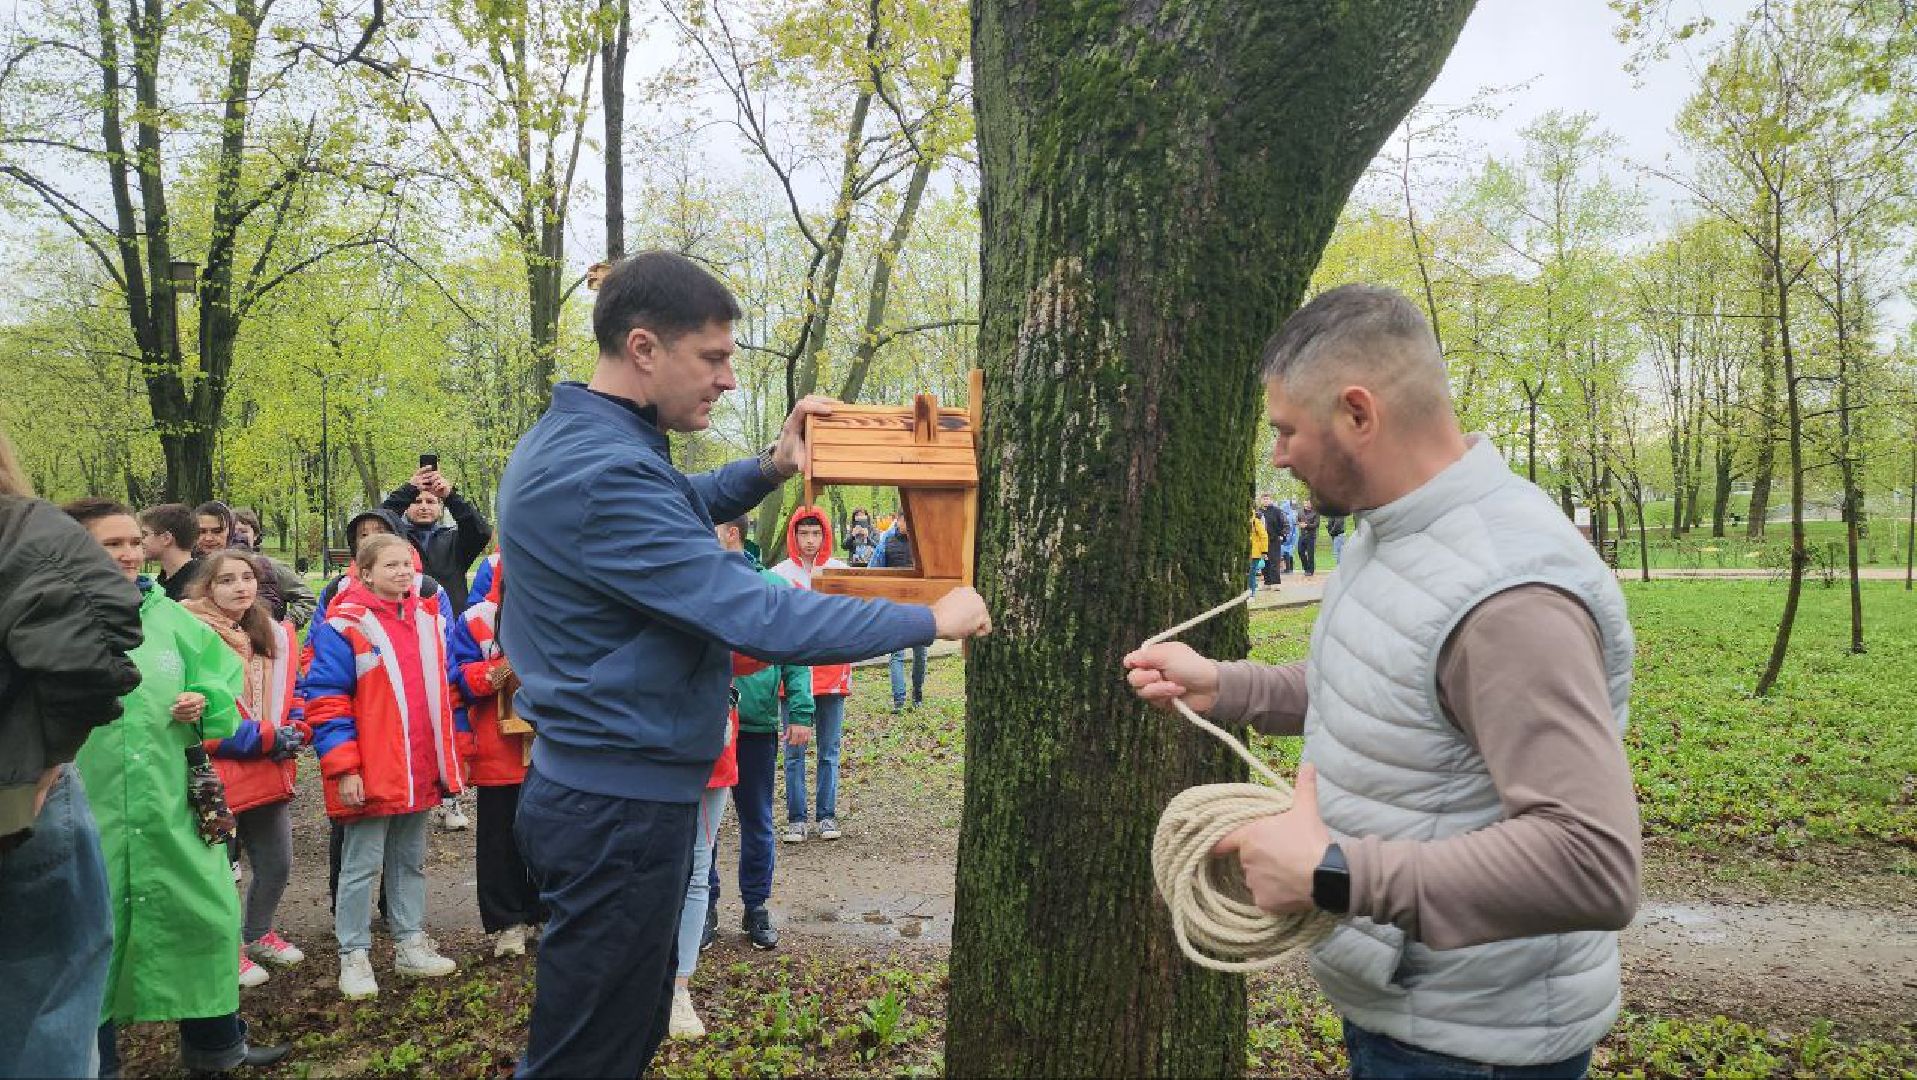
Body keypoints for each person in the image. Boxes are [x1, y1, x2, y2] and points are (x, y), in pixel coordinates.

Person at [495, 250, 990, 1078]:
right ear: (645, 347)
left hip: (608, 790)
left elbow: (675, 506)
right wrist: (924, 617)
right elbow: (758, 612)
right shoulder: (604, 472)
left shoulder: (591, 442)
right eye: (714, 357)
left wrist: (771, 466)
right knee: (585, 1057)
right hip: (617, 806)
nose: (727, 379)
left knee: (621, 1029)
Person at [1124, 285, 1639, 1080]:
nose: (1279, 455)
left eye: (1287, 429)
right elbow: (1392, 690)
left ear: (1358, 413)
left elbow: (1590, 863)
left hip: (1471, 1051)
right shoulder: (1394, 530)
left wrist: (1333, 875)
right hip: (1407, 1014)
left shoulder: (1508, 595)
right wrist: (1227, 687)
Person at [65, 497, 290, 1076]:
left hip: (173, 807)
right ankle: (97, 1064)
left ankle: (217, 1049)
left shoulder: (169, 619)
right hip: (89, 810)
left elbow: (219, 691)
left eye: (134, 542)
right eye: (111, 543)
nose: (129, 553)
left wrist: (202, 704)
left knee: (206, 918)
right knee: (90, 937)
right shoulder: (51, 616)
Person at [0, 437, 143, 1079]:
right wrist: (45, 761)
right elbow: (95, 638)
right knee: (43, 1004)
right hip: (18, 799)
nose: (128, 555)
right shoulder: (21, 529)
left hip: (18, 793)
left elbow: (92, 634)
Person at [304, 534, 468, 1000]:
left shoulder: (427, 619)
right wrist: (345, 768)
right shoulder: (343, 626)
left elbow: (446, 689)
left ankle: (410, 942)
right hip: (373, 767)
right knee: (361, 862)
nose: (402, 573)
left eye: (408, 565)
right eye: (391, 565)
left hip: (418, 765)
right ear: (364, 572)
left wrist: (453, 752)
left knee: (410, 858)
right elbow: (327, 702)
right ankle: (353, 954)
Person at [183, 551, 310, 990]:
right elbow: (197, 715)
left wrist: (298, 723)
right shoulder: (192, 632)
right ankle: (224, 950)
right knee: (218, 869)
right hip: (215, 773)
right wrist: (260, 738)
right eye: (227, 581)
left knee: (276, 861)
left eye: (247, 578)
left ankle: (258, 934)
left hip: (267, 768)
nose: (241, 587)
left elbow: (294, 687)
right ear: (206, 587)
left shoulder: (267, 630)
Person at [668, 521, 756, 1041]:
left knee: (697, 871)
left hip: (710, 755)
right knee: (643, 870)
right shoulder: (650, 583)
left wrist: (732, 574)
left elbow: (754, 651)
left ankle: (679, 989)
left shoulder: (725, 583)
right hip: (648, 754)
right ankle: (637, 983)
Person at [447, 553, 545, 958]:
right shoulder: (477, 619)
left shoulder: (562, 611)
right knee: (499, 837)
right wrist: (500, 669)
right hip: (498, 746)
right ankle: (508, 921)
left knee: (550, 835)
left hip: (552, 747)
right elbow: (458, 678)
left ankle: (547, 913)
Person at [770, 506, 853, 842]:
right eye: (803, 533)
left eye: (815, 533)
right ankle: (796, 818)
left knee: (829, 750)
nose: (809, 540)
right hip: (794, 677)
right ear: (793, 535)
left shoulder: (840, 572)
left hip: (832, 673)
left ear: (825, 535)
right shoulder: (780, 574)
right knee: (793, 752)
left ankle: (827, 815)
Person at [384, 465, 493, 614]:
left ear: (441, 508)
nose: (423, 507)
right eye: (417, 501)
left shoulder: (456, 541)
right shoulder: (394, 539)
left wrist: (450, 496)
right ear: (406, 507)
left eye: (430, 502)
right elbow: (375, 523)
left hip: (450, 622)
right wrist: (408, 490)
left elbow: (482, 532)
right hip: (407, 620)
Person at [198, 501, 315, 629]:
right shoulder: (190, 568)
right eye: (202, 531)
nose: (208, 538)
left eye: (217, 531)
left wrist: (286, 626)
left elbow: (306, 598)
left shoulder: (266, 566)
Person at [871, 514, 927, 711]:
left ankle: (917, 693)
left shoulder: (923, 540)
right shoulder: (886, 541)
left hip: (920, 606)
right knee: (897, 654)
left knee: (920, 653)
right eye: (906, 520)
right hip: (895, 606)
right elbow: (873, 571)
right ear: (899, 520)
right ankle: (899, 698)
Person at [139, 502, 203, 600]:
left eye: (144, 535)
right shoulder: (163, 579)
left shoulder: (198, 585)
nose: (140, 541)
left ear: (166, 538)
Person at [1258, 494, 1286, 586]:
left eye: (1267, 499)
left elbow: (1284, 524)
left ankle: (1276, 583)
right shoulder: (1259, 512)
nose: (1266, 501)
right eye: (1264, 499)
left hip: (1274, 539)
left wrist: (1282, 535)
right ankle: (1267, 583)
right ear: (1261, 500)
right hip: (1262, 541)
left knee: (1274, 562)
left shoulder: (1277, 511)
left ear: (1271, 500)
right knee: (1265, 562)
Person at [1296, 500, 1321, 577]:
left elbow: (1316, 524)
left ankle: (1310, 570)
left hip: (1311, 536)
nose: (1307, 504)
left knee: (1310, 554)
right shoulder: (1300, 512)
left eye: (1309, 502)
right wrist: (1299, 524)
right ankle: (1306, 567)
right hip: (1302, 535)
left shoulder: (1316, 512)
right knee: (1300, 551)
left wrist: (1307, 525)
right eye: (1306, 502)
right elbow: (1297, 521)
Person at [1248, 506, 1269, 596]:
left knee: (1252, 572)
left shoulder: (1255, 522)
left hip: (1255, 551)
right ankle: (1251, 590)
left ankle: (1252, 593)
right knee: (1250, 572)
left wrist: (1264, 551)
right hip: (1248, 551)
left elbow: (1264, 536)